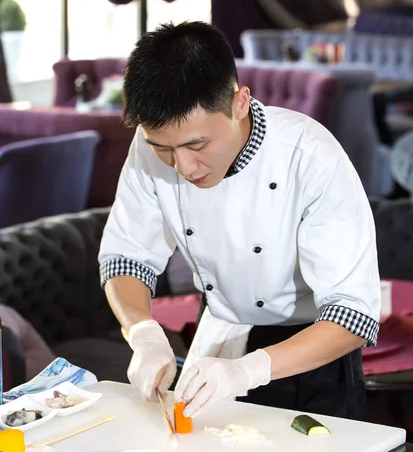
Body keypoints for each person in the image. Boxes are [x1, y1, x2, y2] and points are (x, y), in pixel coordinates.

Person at [98, 21, 381, 421]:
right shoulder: (150, 149)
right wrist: (142, 332)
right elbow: (127, 257)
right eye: (164, 149)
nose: (183, 166)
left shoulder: (311, 158)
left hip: (309, 352)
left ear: (240, 102)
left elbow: (353, 314)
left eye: (197, 145)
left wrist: (248, 370)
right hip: (217, 340)